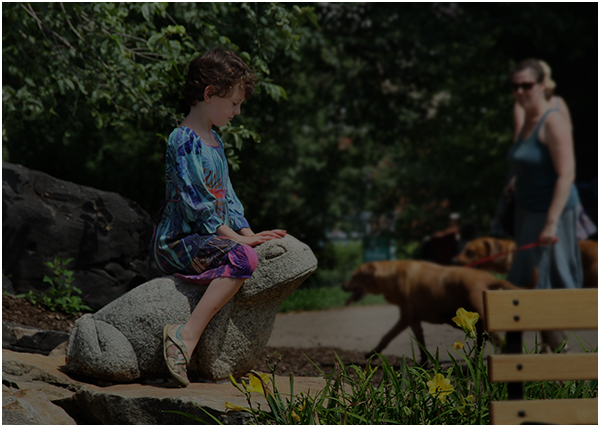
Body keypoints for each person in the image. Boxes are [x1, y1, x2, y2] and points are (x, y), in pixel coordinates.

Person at [149, 48, 286, 387]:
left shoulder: (215, 142)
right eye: (234, 103)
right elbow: (198, 205)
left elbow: (229, 197)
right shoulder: (183, 140)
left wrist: (248, 230)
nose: (238, 111)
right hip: (180, 241)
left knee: (251, 250)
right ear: (209, 94)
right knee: (244, 257)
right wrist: (239, 241)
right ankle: (186, 336)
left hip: (210, 236)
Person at [506, 58, 583, 351]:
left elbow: (566, 174)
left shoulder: (553, 120)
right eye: (515, 86)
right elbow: (527, 162)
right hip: (526, 211)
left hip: (551, 214)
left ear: (541, 85)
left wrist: (551, 223)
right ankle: (535, 361)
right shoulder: (526, 119)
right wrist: (515, 184)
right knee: (524, 284)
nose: (520, 92)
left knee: (541, 287)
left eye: (526, 85)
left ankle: (566, 368)